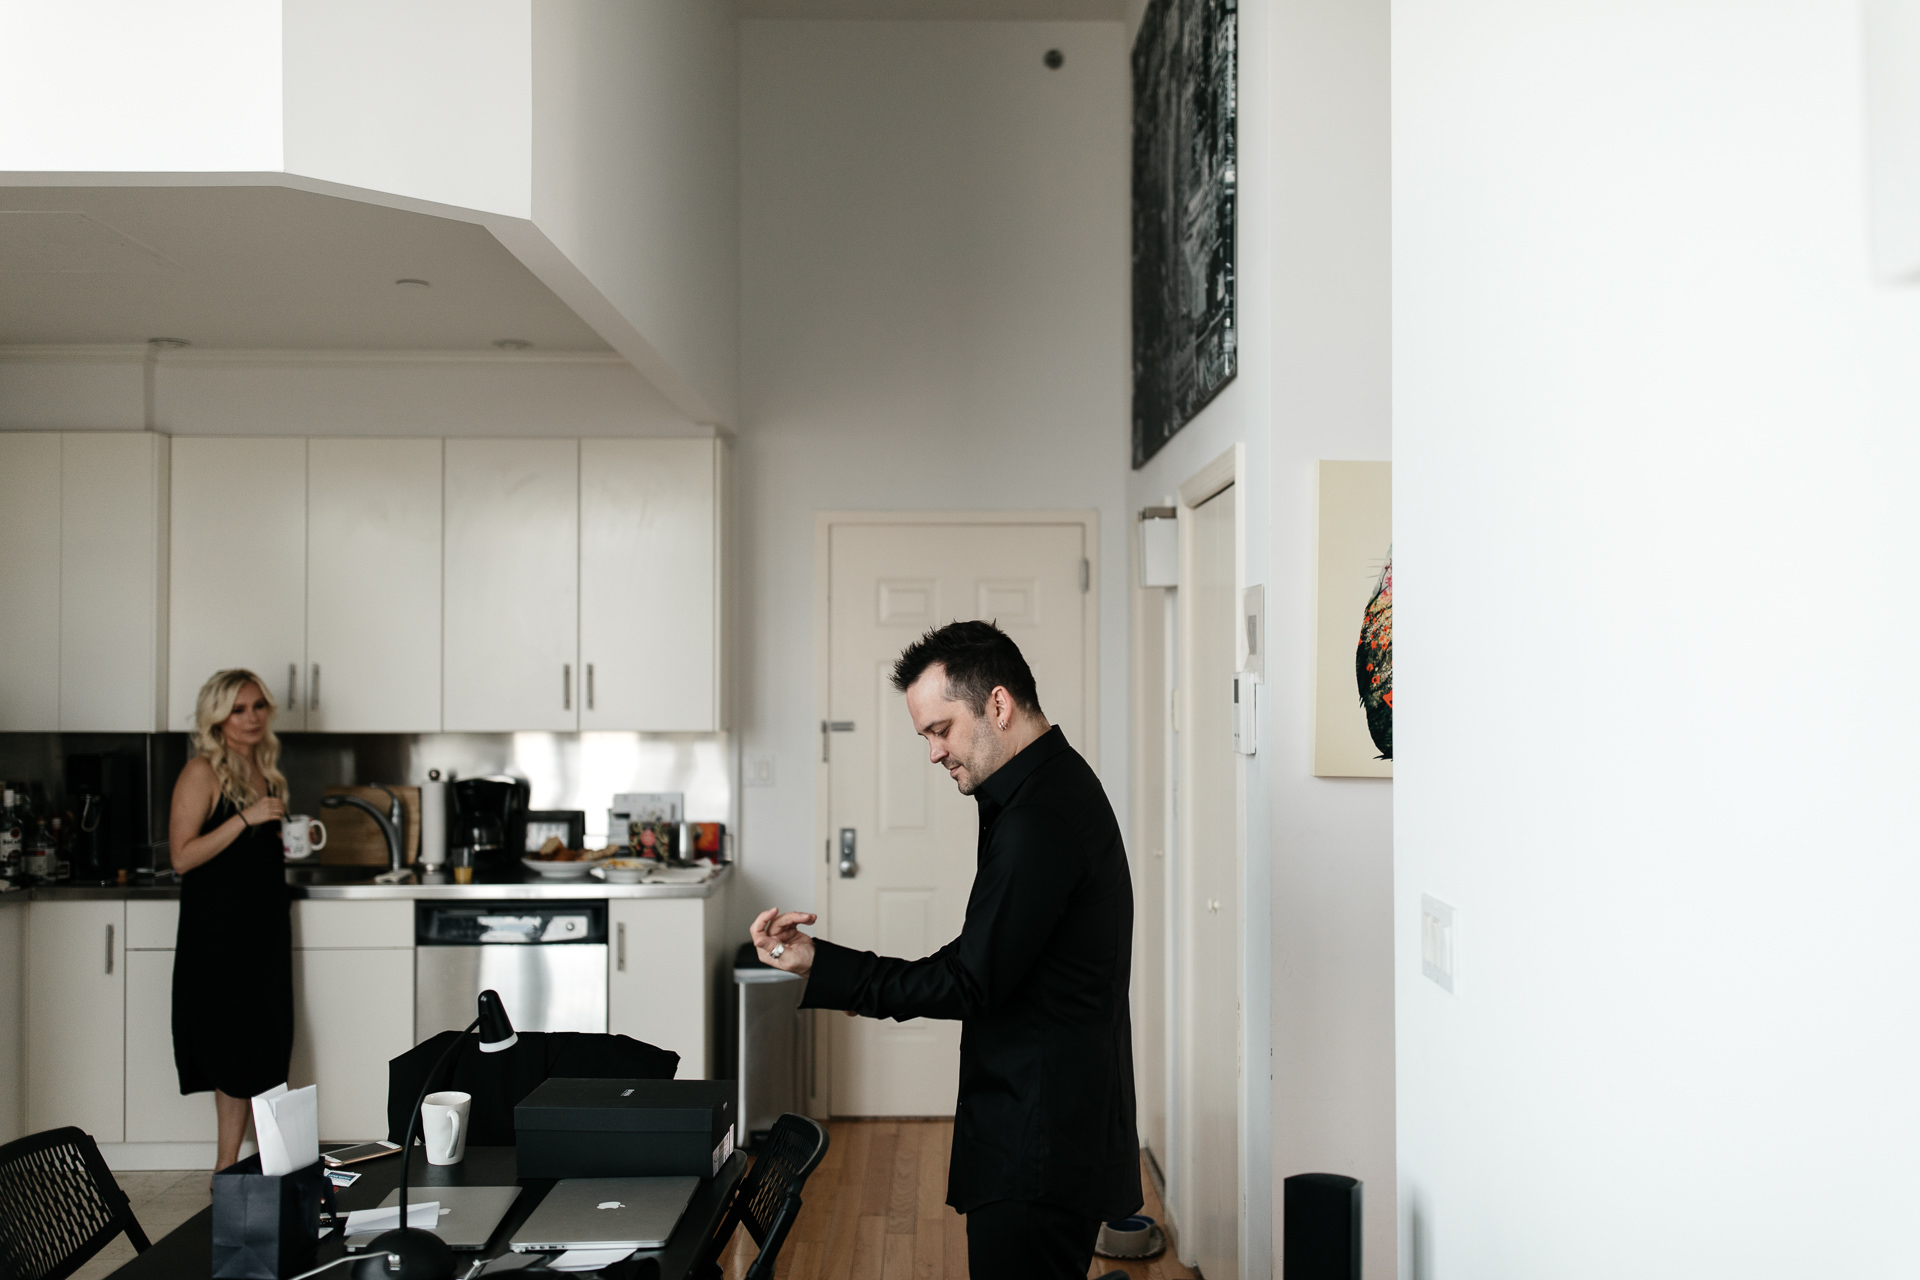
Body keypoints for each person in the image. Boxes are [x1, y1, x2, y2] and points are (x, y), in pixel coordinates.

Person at [751, 620, 1141, 1280]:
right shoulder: (1044, 788)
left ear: (998, 703)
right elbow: (993, 958)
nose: (934, 752)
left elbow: (970, 980)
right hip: (1049, 1119)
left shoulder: (1038, 819)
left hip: (1037, 1140)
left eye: (940, 729)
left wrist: (824, 965)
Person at [167, 668, 295, 1172]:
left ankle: (257, 1170)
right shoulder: (203, 771)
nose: (251, 718)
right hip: (220, 935)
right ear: (217, 717)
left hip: (262, 931)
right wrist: (247, 818)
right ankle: (226, 1172)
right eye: (239, 709)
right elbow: (182, 856)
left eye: (258, 706)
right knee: (234, 1051)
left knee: (264, 1050)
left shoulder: (264, 771)